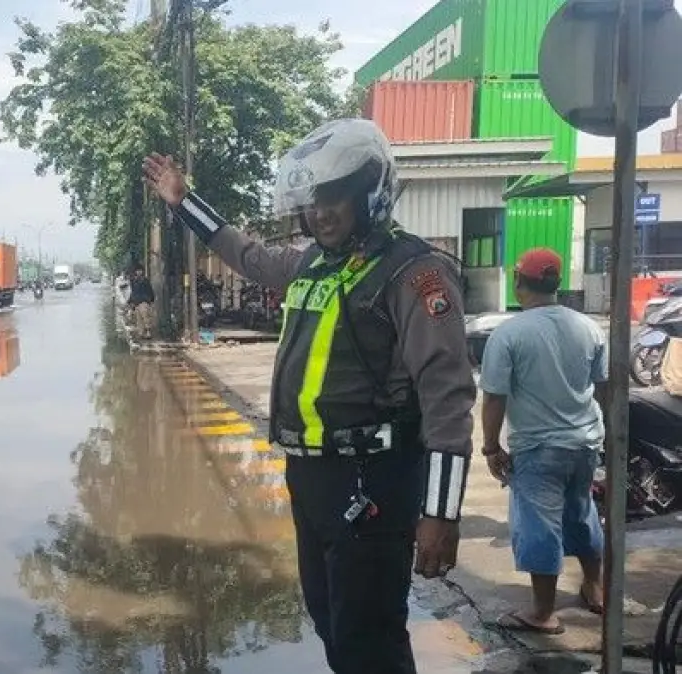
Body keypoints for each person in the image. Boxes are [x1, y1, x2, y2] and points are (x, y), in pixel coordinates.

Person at [142, 118, 476, 674]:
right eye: (312, 201)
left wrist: (441, 513)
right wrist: (184, 203)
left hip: (373, 480)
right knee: (331, 623)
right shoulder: (312, 263)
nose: (320, 212)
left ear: (370, 193)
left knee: (368, 639)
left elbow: (448, 400)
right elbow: (243, 253)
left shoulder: (414, 275)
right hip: (312, 479)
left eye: (334, 198)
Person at [478, 248, 608, 635]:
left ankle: (543, 612)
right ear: (557, 284)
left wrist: (490, 447)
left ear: (519, 284)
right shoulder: (588, 327)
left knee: (539, 525)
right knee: (582, 512)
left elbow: (495, 397)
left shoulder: (509, 334)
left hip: (539, 447)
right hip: (585, 443)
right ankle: (595, 587)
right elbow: (603, 387)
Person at [126, 263, 155, 340]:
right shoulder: (133, 281)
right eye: (137, 271)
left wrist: (151, 300)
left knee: (146, 316)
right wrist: (130, 301)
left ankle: (148, 332)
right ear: (135, 272)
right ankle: (141, 333)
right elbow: (133, 292)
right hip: (136, 302)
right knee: (138, 319)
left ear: (142, 271)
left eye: (140, 270)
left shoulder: (145, 280)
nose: (139, 272)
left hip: (144, 301)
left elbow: (150, 290)